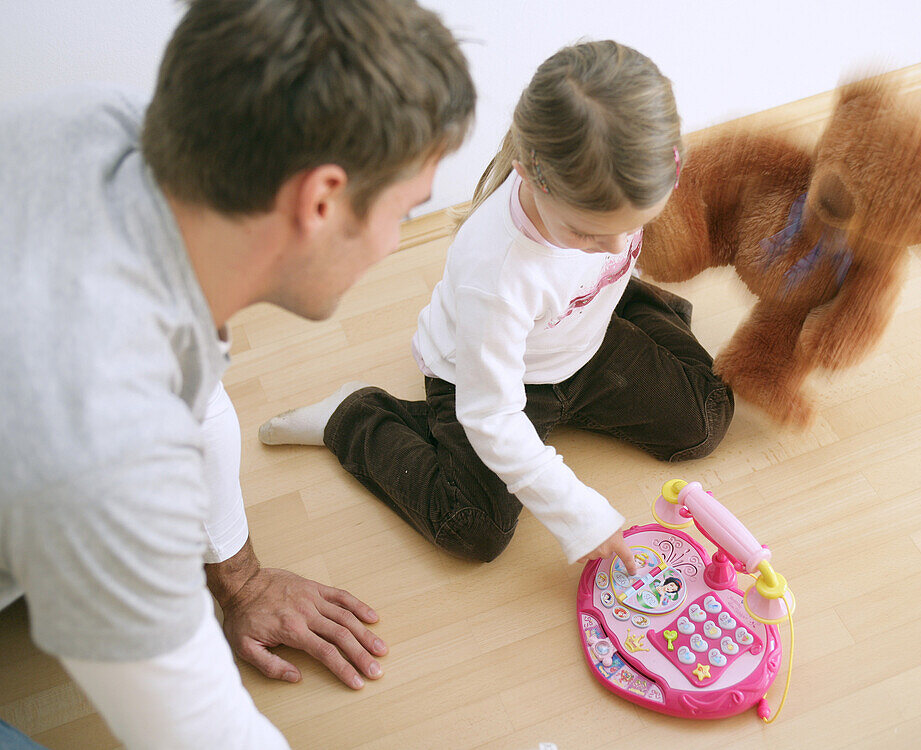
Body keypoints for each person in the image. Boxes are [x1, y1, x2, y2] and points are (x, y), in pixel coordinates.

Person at [0, 0, 474, 747]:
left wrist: (241, 578)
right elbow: (200, 732)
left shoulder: (97, 123)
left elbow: (197, 392)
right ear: (320, 199)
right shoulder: (100, 450)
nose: (397, 240)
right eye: (407, 208)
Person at [259, 41, 734, 577]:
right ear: (530, 178)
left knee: (708, 419)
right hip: (484, 384)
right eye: (588, 232)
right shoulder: (498, 275)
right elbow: (493, 414)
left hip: (582, 339)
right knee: (471, 529)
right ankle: (353, 417)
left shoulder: (613, 192)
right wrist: (581, 514)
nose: (617, 245)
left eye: (634, 223)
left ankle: (637, 307)